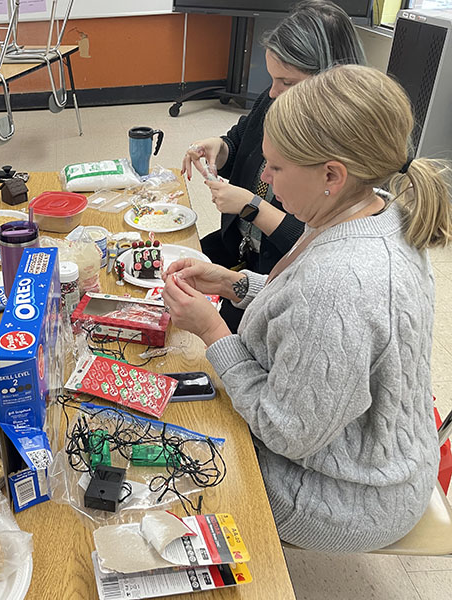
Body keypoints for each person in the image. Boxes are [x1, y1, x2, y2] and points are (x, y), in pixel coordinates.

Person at [162, 64, 451, 552]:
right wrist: (237, 285)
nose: (265, 180)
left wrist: (214, 333)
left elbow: (286, 431)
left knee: (172, 450)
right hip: (377, 456)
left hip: (346, 495)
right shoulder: (373, 207)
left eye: (274, 169)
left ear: (331, 176)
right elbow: (302, 307)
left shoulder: (339, 283)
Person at [181, 0, 365, 332]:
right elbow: (240, 138)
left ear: (331, 77)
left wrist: (252, 207)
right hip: (244, 259)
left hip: (275, 272)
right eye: (273, 80)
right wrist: (220, 148)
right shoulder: (277, 98)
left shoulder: (342, 156)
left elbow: (309, 244)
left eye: (288, 82)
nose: (274, 92)